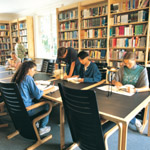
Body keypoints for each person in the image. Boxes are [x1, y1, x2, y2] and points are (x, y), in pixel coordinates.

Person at [11, 61, 54, 136]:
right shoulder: (28, 78)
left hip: (17, 109)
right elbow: (38, 95)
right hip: (27, 110)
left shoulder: (17, 77)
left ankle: (36, 122)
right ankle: (42, 128)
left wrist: (33, 84)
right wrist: (50, 89)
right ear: (28, 69)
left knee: (37, 101)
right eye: (34, 70)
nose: (35, 72)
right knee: (47, 104)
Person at [112, 51, 149, 132]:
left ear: (135, 60)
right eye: (125, 63)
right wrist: (116, 82)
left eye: (129, 63)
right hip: (122, 93)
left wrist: (135, 90)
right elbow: (113, 81)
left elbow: (146, 88)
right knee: (112, 102)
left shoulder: (142, 70)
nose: (127, 65)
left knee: (122, 106)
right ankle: (133, 120)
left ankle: (135, 121)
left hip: (135, 94)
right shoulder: (122, 69)